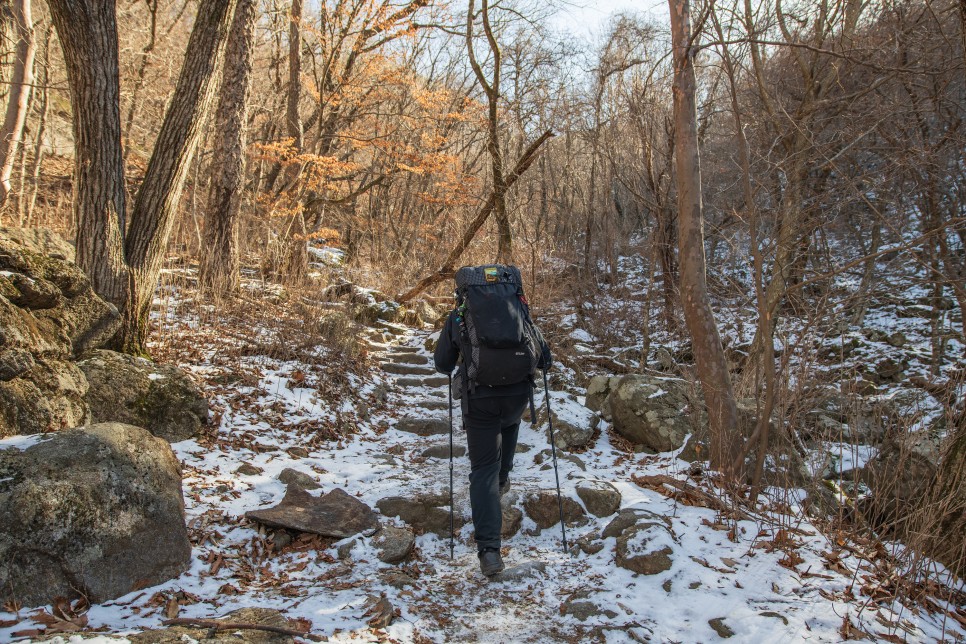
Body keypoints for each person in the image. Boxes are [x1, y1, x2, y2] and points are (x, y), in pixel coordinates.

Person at [433, 268, 551, 577]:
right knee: (509, 428)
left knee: (482, 469)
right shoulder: (518, 311)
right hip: (517, 395)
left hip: (481, 399)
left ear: (463, 294)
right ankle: (501, 481)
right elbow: (545, 358)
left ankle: (489, 551)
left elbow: (442, 364)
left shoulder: (459, 317)